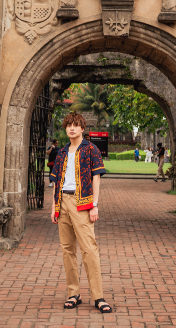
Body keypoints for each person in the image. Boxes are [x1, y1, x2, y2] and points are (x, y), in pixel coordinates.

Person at [50, 113, 113, 314]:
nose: (72, 129)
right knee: (67, 249)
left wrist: (94, 204)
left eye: (76, 125)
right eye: (69, 125)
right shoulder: (61, 152)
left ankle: (98, 296)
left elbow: (97, 178)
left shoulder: (91, 149)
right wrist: (54, 206)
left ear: (82, 128)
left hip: (82, 202)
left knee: (89, 248)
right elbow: (55, 182)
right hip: (63, 202)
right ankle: (73, 293)